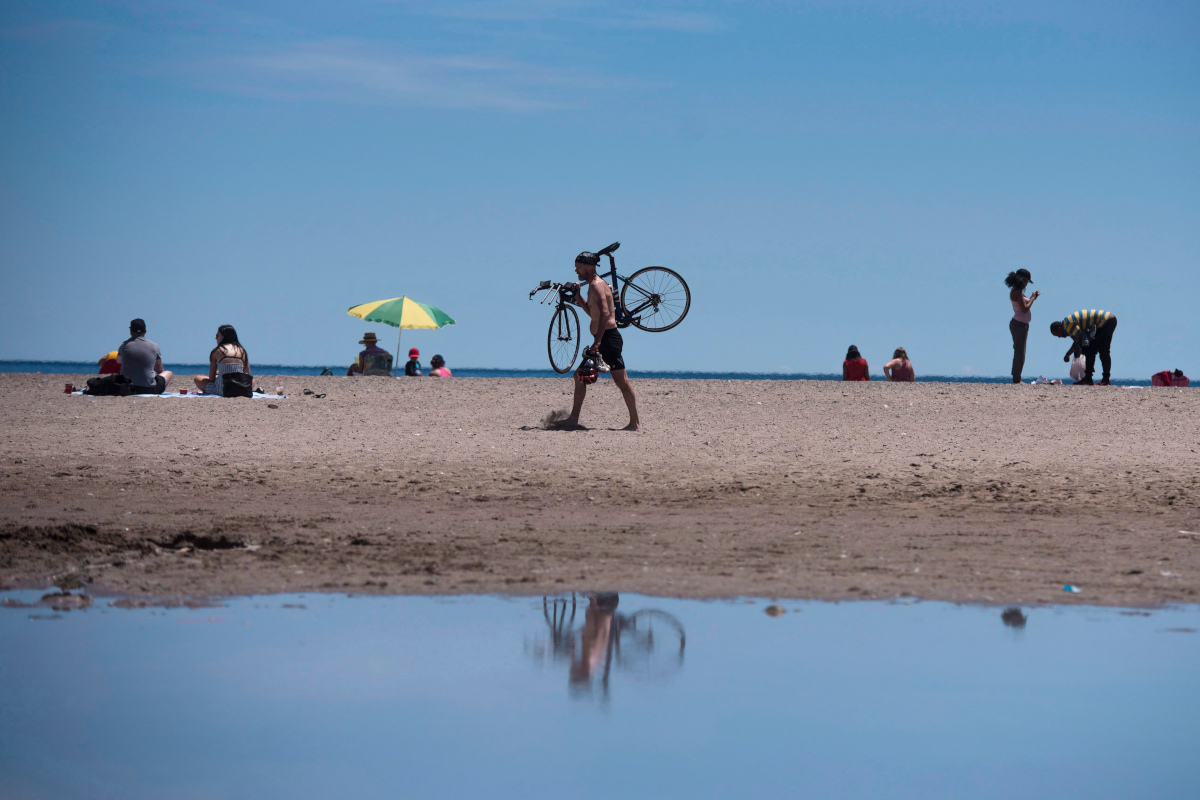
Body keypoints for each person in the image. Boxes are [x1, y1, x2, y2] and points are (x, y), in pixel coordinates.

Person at [554, 252, 640, 431]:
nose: (576, 270)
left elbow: (606, 314)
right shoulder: (592, 286)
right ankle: (573, 419)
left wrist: (598, 342)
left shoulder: (598, 286)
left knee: (622, 382)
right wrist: (578, 296)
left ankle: (635, 424)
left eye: (578, 267)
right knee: (580, 376)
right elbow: (593, 314)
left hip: (608, 339)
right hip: (604, 338)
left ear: (589, 267)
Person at [1050, 309, 1117, 385]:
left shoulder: (1068, 325)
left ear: (1059, 329)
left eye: (1057, 335)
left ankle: (1089, 379)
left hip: (1105, 321)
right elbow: (1077, 341)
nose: (1059, 337)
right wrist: (1069, 354)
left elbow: (1080, 338)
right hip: (1109, 319)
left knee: (1092, 350)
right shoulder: (1067, 325)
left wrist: (1068, 354)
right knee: (1103, 351)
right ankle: (1104, 380)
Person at [118, 318, 173, 394]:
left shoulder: (123, 345)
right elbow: (159, 368)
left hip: (127, 388)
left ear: (130, 332)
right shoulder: (154, 346)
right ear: (145, 332)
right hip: (148, 388)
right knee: (168, 373)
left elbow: (118, 361)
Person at [193, 324, 250, 394]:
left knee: (197, 378)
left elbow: (211, 378)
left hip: (222, 390)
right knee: (252, 381)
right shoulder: (242, 351)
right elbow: (248, 375)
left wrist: (218, 376)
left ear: (224, 336)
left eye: (217, 336)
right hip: (241, 389)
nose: (215, 338)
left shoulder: (216, 351)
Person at [1005, 269, 1040, 383]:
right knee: (1020, 352)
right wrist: (1033, 298)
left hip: (1020, 324)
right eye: (1026, 282)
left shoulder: (1016, 291)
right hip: (1019, 325)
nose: (1026, 284)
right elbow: (1025, 309)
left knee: (1019, 351)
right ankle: (1016, 378)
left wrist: (1031, 298)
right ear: (1022, 280)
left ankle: (1016, 376)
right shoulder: (1017, 292)